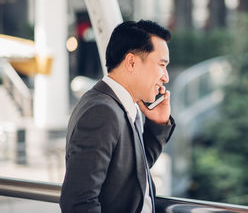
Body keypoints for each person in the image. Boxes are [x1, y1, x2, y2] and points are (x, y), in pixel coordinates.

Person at [60, 20, 175, 213]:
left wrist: (158, 124)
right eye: (161, 65)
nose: (166, 77)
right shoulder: (102, 112)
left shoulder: (120, 106)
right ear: (131, 62)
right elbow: (78, 203)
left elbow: (130, 173)